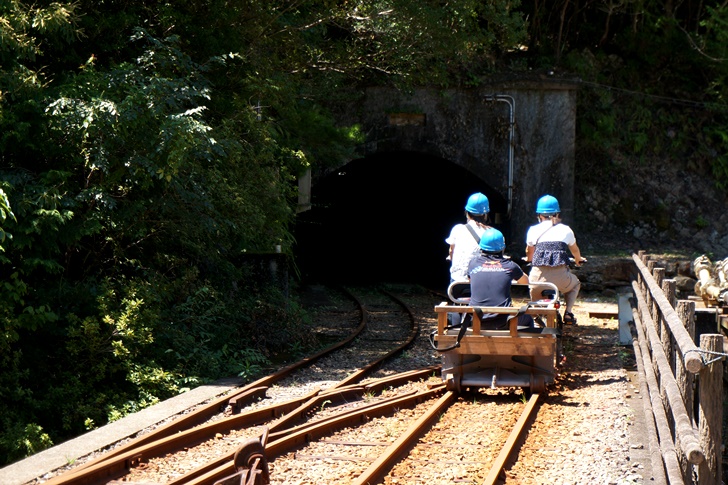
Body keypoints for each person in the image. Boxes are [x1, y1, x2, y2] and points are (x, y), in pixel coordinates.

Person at [525, 195, 586, 324]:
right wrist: (578, 259)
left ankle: (536, 316)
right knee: (575, 284)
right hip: (560, 280)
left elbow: (529, 253)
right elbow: (575, 250)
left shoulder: (533, 230)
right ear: (557, 214)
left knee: (533, 288)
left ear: (539, 215)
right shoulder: (566, 230)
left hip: (538, 282)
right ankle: (568, 312)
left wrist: (530, 259)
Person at [468, 227, 534, 330]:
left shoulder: (473, 263)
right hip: (502, 321)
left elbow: (471, 281)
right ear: (502, 248)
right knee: (528, 319)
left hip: (477, 319)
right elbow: (525, 281)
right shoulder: (510, 266)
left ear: (481, 247)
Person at [446, 192, 490, 282]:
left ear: (467, 213)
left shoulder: (457, 229)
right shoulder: (492, 233)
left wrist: (451, 257)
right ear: (486, 214)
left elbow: (451, 250)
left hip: (458, 280)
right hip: (481, 282)